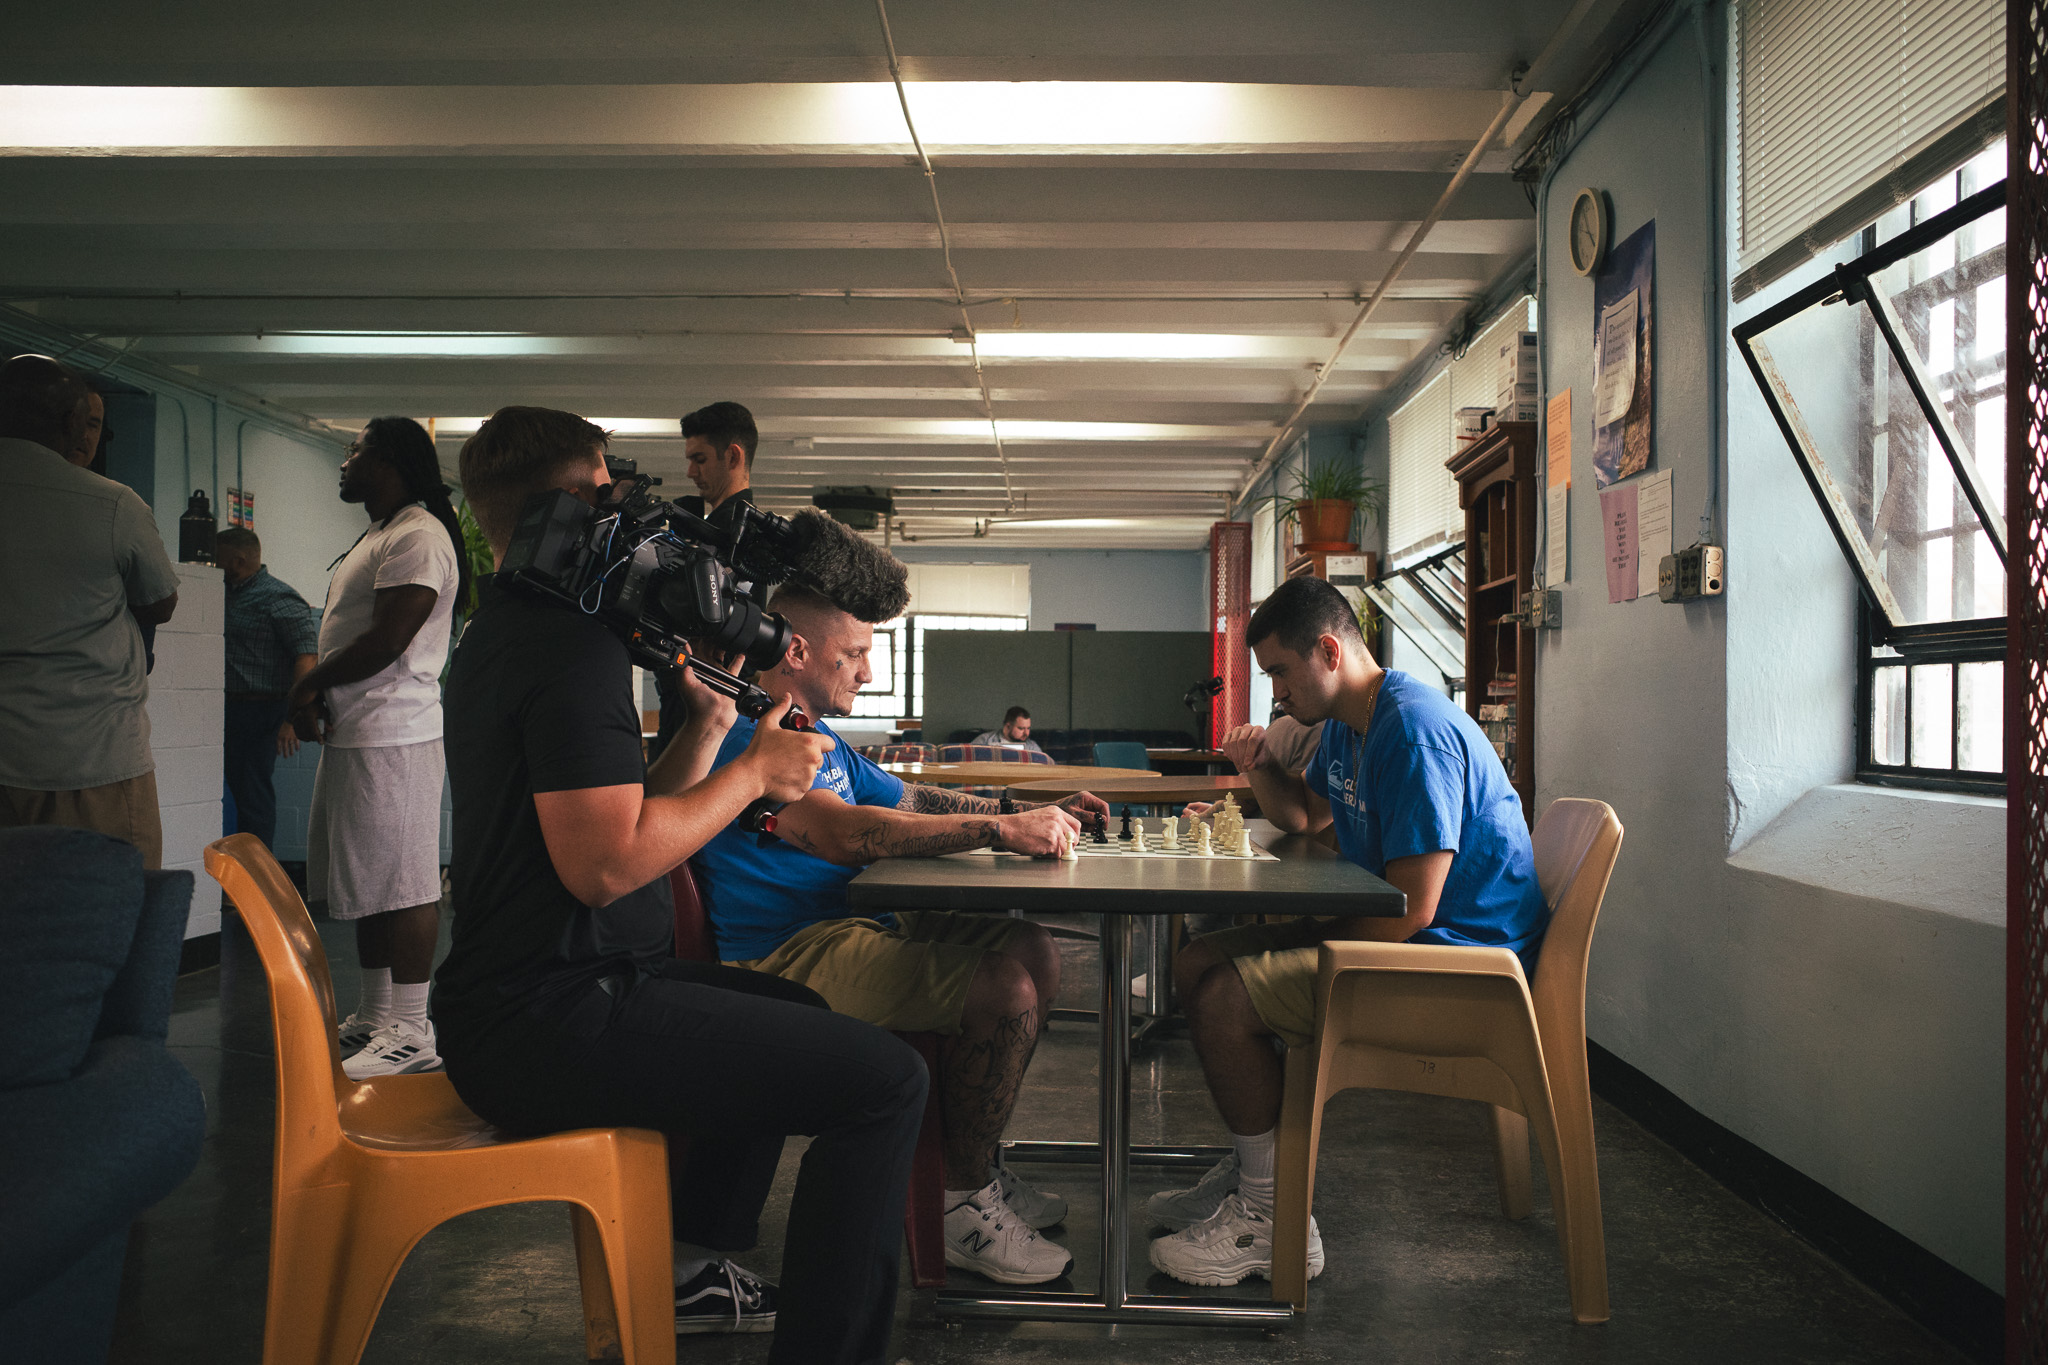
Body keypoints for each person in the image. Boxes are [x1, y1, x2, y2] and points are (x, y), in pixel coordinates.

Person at [435, 405, 926, 1362]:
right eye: (611, 486)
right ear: (579, 501)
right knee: (884, 1083)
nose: (628, 506)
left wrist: (703, 729)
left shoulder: (514, 633)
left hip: (549, 990)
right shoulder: (569, 654)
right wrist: (750, 775)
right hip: (549, 1017)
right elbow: (606, 865)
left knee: (789, 1003)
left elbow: (613, 825)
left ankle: (694, 1266)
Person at [692, 584, 1112, 1286]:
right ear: (796, 651)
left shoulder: (817, 737)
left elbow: (908, 798)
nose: (869, 672)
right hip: (790, 950)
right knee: (1004, 990)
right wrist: (999, 830)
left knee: (1031, 946)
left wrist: (1022, 806)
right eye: (854, 653)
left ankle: (974, 1164)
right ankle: (959, 1206)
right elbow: (848, 833)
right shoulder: (749, 738)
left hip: (856, 917)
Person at [1146, 575, 1548, 1287]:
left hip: (1456, 967)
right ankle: (1258, 1168)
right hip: (1418, 939)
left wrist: (1305, 932)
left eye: (1279, 671)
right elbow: (1307, 819)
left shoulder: (1413, 730)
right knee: (1199, 959)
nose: (1274, 692)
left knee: (1223, 997)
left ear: (1328, 650)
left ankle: (1275, 1221)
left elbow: (1415, 907)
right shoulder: (1347, 725)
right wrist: (1262, 764)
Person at [288, 416, 467, 1080]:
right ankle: (377, 1013)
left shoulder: (419, 535)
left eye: (355, 450)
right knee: (368, 881)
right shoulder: (385, 531)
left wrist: (306, 684)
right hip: (362, 730)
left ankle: (413, 1028)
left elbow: (390, 638)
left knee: (406, 882)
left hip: (396, 733)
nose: (344, 461)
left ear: (388, 461)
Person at [0, 354, 180, 867]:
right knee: (111, 923)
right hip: (90, 764)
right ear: (71, 425)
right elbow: (161, 602)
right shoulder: (113, 505)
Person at [655, 400, 763, 755]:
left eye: (699, 460)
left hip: (705, 701)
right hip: (698, 697)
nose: (689, 472)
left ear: (733, 457)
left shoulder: (737, 537)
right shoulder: (712, 532)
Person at [215, 526, 320, 852]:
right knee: (232, 794)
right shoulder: (225, 592)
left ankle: (256, 890)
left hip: (262, 711)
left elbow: (307, 657)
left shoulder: (278, 597)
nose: (212, 565)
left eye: (218, 558)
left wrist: (292, 717)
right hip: (228, 708)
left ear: (237, 560)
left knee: (253, 798)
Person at [971, 705, 1045, 754]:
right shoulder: (985, 741)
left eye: (1028, 728)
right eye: (1021, 728)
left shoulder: (1032, 747)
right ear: (1008, 726)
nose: (1026, 733)